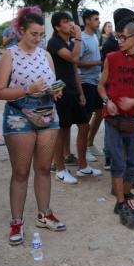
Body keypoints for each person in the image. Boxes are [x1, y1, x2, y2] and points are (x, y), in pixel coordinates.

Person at [0, 10, 66, 246]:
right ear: (21, 32)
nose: (37, 39)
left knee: (45, 168)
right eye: (33, 34)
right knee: (21, 172)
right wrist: (27, 90)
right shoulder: (9, 55)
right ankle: (16, 221)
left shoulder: (45, 55)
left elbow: (53, 83)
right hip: (19, 115)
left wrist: (56, 91)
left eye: (41, 35)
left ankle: (44, 214)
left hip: (47, 113)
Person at [97, 17, 134, 227]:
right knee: (117, 162)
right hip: (112, 119)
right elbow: (101, 86)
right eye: (117, 36)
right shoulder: (111, 58)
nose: (119, 40)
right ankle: (121, 202)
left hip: (133, 120)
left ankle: (125, 195)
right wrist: (107, 101)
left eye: (123, 37)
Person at [48, 12, 100, 185]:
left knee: (84, 125)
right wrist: (78, 37)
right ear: (57, 27)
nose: (70, 24)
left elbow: (74, 67)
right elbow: (74, 57)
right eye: (66, 22)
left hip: (73, 89)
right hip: (60, 90)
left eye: (71, 21)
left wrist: (81, 92)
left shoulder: (69, 42)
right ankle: (60, 169)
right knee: (62, 129)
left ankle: (83, 165)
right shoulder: (55, 43)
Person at [78, 9, 105, 161]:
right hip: (86, 81)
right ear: (87, 21)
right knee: (85, 118)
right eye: (95, 19)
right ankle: (82, 149)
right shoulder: (81, 38)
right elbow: (78, 62)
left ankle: (90, 143)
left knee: (100, 113)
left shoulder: (95, 36)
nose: (98, 21)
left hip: (96, 81)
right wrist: (98, 62)